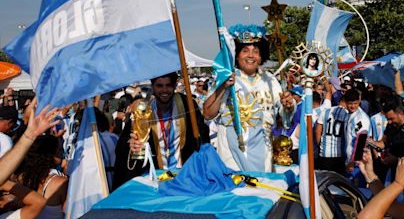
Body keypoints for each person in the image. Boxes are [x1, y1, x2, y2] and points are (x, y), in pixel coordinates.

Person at [203, 24, 295, 172]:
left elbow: (284, 117)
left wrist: (288, 105)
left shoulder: (270, 80)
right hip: (231, 151)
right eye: (245, 51)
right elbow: (208, 113)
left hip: (263, 149)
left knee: (262, 189)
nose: (251, 55)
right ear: (237, 55)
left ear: (261, 56)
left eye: (256, 51)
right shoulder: (225, 78)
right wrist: (223, 87)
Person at [113, 72, 210, 189]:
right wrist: (131, 145)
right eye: (159, 86)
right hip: (154, 179)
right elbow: (123, 144)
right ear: (153, 87)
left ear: (174, 86)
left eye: (168, 85)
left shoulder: (187, 104)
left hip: (184, 177)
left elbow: (202, 137)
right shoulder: (142, 110)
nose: (164, 90)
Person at [13, 135, 68, 219]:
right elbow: (69, 212)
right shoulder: (60, 182)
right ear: (49, 155)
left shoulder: (20, 178)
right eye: (58, 149)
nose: (61, 153)